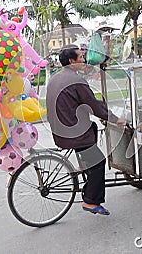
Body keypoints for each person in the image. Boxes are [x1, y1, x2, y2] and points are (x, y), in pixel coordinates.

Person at [46, 44, 126, 216]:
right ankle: (91, 201)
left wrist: (98, 108)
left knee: (93, 126)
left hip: (60, 130)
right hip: (73, 134)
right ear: (71, 61)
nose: (84, 60)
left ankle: (85, 162)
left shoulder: (56, 77)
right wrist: (115, 119)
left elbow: (84, 102)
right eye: (81, 58)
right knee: (99, 163)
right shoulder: (76, 81)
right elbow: (93, 106)